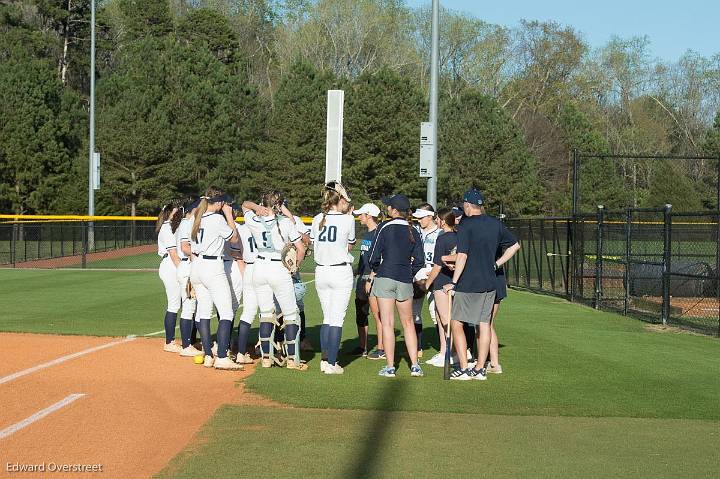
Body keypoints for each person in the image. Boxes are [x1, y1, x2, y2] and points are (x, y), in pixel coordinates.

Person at [443, 189, 520, 381]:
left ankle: (464, 368)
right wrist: (497, 264)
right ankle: (479, 369)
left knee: (456, 323)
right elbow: (515, 245)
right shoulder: (495, 223)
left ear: (468, 206)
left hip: (468, 282)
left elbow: (462, 256)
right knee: (484, 324)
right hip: (490, 282)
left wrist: (453, 282)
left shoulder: (466, 226)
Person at [242, 191, 307, 370]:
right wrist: (294, 268)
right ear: (279, 205)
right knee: (290, 315)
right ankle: (293, 360)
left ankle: (266, 358)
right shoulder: (285, 222)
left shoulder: (253, 221)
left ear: (263, 203)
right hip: (279, 267)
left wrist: (256, 207)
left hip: (259, 267)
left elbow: (244, 204)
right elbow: (300, 249)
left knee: (265, 314)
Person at [368, 194, 425, 378]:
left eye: (389, 207)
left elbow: (373, 257)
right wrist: (408, 272)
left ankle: (390, 367)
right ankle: (415, 366)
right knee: (408, 323)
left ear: (393, 210)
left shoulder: (384, 227)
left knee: (388, 323)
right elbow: (420, 261)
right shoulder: (413, 229)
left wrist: (377, 269)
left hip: (386, 277)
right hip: (404, 279)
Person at [189, 187, 242, 371]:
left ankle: (209, 356)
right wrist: (228, 215)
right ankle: (221, 357)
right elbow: (234, 239)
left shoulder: (197, 216)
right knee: (226, 313)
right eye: (223, 202)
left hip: (197, 265)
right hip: (213, 266)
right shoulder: (217, 218)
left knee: (204, 312)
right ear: (219, 202)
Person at [311, 182, 355, 375]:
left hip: (321, 272)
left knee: (327, 317)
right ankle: (332, 363)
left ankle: (324, 360)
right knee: (336, 319)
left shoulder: (316, 218)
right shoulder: (348, 219)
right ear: (340, 199)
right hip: (340, 271)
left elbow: (314, 243)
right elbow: (350, 245)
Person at [424, 207, 456, 367]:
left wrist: (427, 283)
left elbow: (437, 265)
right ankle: (444, 351)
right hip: (450, 281)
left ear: (443, 221)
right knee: (440, 317)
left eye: (438, 219)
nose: (436, 221)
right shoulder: (458, 236)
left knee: (445, 319)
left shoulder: (442, 238)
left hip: (442, 282)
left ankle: (452, 352)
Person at [351, 203, 383, 359]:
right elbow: (364, 259)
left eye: (361, 214)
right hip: (361, 278)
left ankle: (381, 348)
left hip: (374, 279)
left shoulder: (379, 233)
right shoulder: (367, 234)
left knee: (378, 314)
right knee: (361, 313)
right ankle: (362, 347)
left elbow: (381, 260)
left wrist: (372, 276)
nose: (359, 217)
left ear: (369, 215)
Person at [411, 203, 440, 359]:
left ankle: (445, 348)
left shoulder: (440, 233)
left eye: (421, 218)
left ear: (430, 216)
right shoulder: (415, 232)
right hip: (417, 275)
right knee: (414, 312)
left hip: (434, 275)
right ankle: (417, 347)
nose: (419, 221)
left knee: (436, 312)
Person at [176, 197, 203, 357]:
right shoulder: (187, 223)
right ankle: (186, 346)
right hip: (187, 266)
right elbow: (185, 247)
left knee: (197, 307)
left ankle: (191, 342)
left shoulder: (193, 222)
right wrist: (197, 255)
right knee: (188, 307)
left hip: (192, 265)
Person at [157, 199, 184, 353]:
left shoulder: (173, 227)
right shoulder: (167, 228)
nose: (179, 213)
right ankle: (169, 342)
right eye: (177, 210)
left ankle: (183, 340)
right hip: (171, 266)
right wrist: (184, 273)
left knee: (183, 303)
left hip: (174, 265)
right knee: (174, 304)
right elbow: (173, 255)